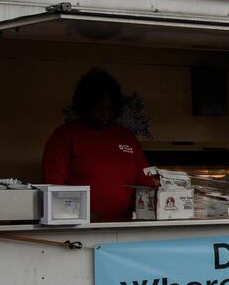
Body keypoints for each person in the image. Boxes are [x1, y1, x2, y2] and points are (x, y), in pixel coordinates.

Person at [41, 69, 154, 222]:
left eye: (111, 109)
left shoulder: (127, 138)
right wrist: (81, 214)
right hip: (79, 227)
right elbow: (53, 186)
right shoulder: (65, 136)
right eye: (99, 108)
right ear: (84, 105)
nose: (106, 114)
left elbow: (145, 182)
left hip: (124, 226)